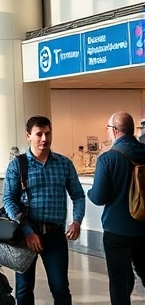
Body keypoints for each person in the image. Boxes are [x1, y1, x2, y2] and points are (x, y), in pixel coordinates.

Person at [3, 116, 84, 305]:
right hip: (25, 235)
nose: (44, 139)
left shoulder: (64, 164)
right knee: (24, 289)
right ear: (28, 136)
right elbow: (8, 200)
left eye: (47, 134)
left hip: (55, 234)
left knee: (60, 288)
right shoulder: (17, 165)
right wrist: (28, 232)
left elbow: (78, 195)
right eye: (39, 134)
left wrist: (77, 220)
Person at [88, 111, 145, 305]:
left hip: (117, 231)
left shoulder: (108, 159)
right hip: (144, 229)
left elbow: (98, 197)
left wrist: (88, 193)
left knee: (119, 282)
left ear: (114, 131)